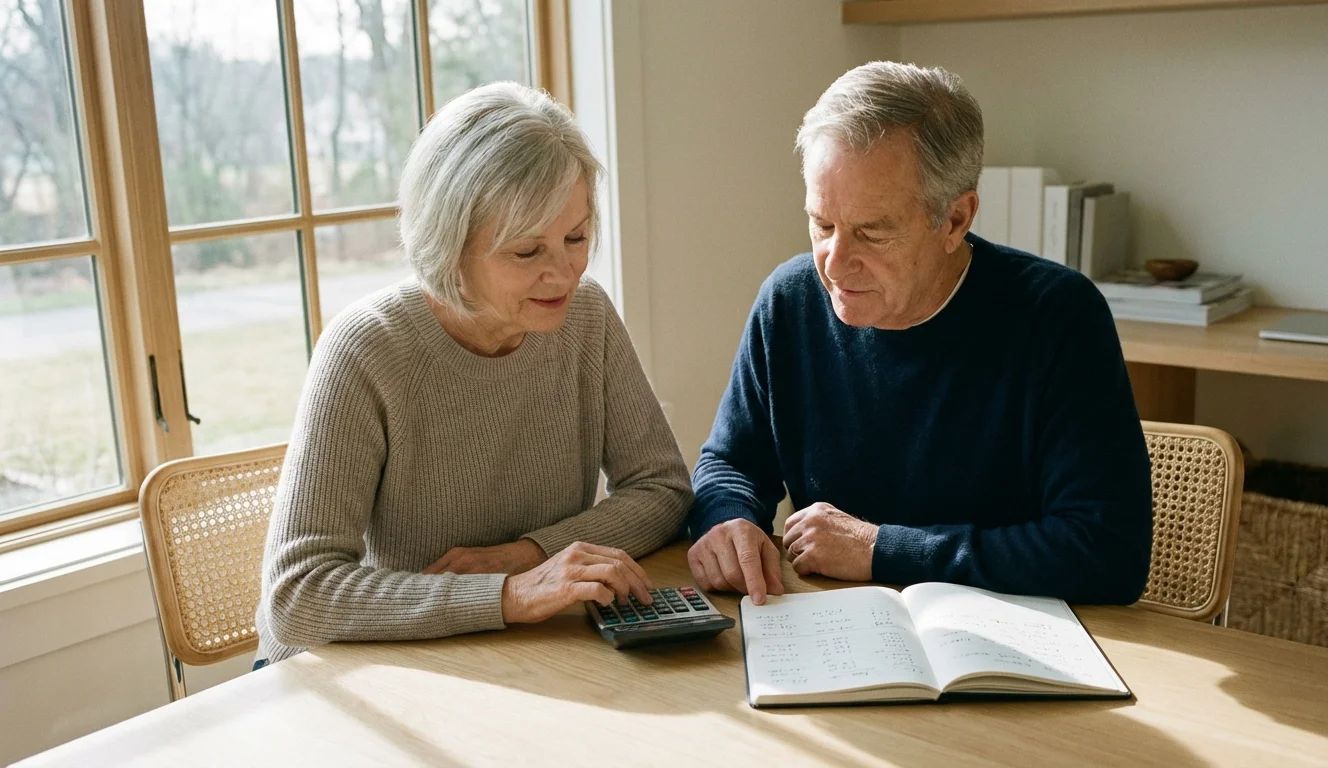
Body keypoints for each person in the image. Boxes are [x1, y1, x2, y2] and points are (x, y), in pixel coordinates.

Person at [253, 82, 691, 666]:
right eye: (526, 252)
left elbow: (662, 489)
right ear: (449, 248)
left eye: (576, 236)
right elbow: (297, 595)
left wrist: (528, 554)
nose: (563, 272)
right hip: (339, 679)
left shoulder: (588, 318)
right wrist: (506, 595)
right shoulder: (365, 349)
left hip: (499, 652)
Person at [687, 62, 1152, 607]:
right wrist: (727, 519)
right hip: (844, 635)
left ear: (955, 220)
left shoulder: (1058, 317)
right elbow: (729, 463)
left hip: (1018, 647)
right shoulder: (789, 302)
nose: (834, 264)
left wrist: (883, 549)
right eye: (822, 225)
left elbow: (1109, 552)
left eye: (872, 232)